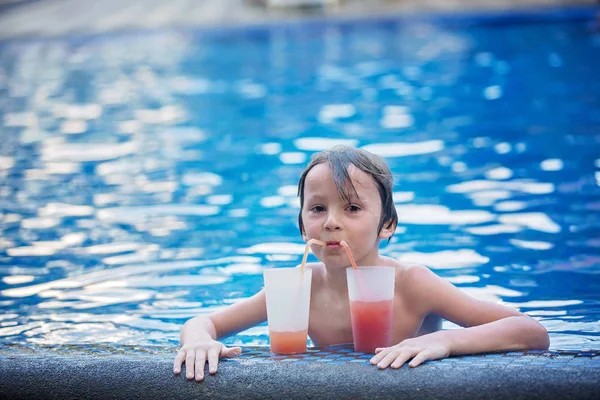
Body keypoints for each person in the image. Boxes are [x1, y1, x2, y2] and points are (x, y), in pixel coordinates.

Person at [173, 145, 549, 381]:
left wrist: (447, 340)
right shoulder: (297, 288)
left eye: (352, 208)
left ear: (387, 224)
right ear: (303, 226)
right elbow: (203, 322)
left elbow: (531, 332)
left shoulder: (412, 284)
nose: (331, 221)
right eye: (317, 208)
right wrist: (198, 341)